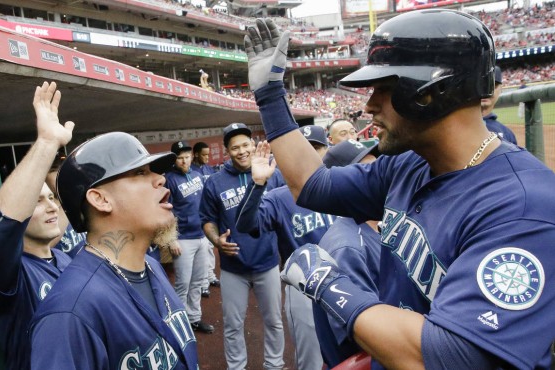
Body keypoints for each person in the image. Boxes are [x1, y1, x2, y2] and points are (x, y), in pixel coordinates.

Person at [245, 13, 555, 369]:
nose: (369, 105)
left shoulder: (524, 206)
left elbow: (446, 358)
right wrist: (270, 95)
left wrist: (327, 285)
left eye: (384, 88)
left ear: (431, 92)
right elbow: (313, 185)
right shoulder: (410, 164)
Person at [29, 131, 199, 369]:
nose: (160, 179)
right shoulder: (69, 313)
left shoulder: (150, 265)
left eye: (154, 171)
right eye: (140, 172)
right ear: (100, 199)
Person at [0, 81, 74, 370]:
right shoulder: (6, 273)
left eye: (52, 198)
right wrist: (46, 143)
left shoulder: (67, 260)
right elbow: (5, 222)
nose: (51, 206)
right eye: (37, 201)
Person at [235, 124, 334, 370]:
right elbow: (246, 224)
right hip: (304, 287)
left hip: (347, 278)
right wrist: (257, 184)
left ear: (326, 150)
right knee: (311, 361)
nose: (309, 154)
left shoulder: (339, 185)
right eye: (303, 148)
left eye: (316, 148)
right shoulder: (279, 197)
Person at [199, 122, 285, 370]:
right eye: (235, 147)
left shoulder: (273, 174)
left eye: (246, 144)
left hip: (267, 262)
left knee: (274, 321)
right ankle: (236, 367)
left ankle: (274, 365)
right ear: (227, 151)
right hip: (233, 267)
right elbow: (207, 220)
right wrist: (216, 241)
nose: (242, 151)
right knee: (233, 325)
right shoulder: (214, 182)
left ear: (253, 144)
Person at [314, 140, 381, 368]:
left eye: (378, 166)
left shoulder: (376, 223)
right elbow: (368, 340)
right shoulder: (346, 247)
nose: (379, 176)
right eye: (366, 172)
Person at [164, 140, 214, 333]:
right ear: (174, 160)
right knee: (183, 283)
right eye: (180, 158)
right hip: (183, 239)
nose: (184, 161)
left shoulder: (197, 174)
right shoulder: (169, 179)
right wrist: (171, 239)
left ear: (192, 156)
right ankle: (179, 322)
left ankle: (194, 318)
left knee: (198, 282)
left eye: (187, 157)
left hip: (201, 236)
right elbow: (165, 211)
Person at [191, 141, 221, 294]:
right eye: (204, 155)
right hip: (195, 217)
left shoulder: (209, 169)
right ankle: (203, 284)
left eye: (208, 154)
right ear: (195, 154)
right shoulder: (190, 170)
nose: (207, 158)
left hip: (208, 214)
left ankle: (210, 276)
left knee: (210, 249)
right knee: (200, 255)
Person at [46, 155, 86, 257]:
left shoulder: (80, 199)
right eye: (54, 170)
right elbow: (46, 245)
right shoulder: (41, 209)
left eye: (64, 170)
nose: (61, 175)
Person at [482, 66, 518, 144]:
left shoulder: (507, 134)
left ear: (501, 89)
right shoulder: (454, 128)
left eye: (493, 86)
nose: (486, 91)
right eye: (481, 85)